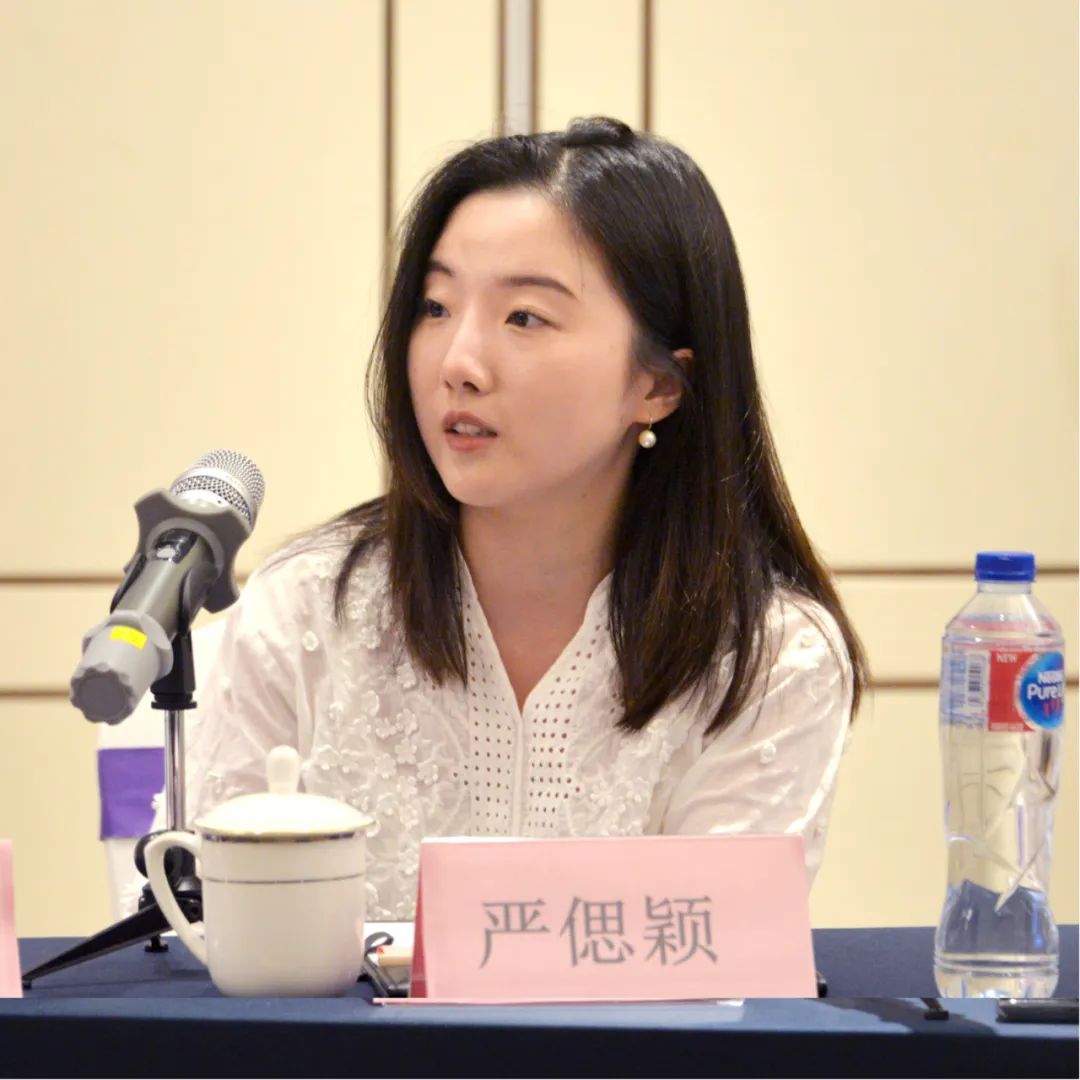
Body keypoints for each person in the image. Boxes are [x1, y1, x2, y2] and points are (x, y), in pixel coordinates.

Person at [184, 116, 867, 921]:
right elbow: (219, 936)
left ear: (658, 385)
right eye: (435, 307)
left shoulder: (766, 658)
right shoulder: (303, 613)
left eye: (524, 318)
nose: (458, 364)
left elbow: (715, 957)